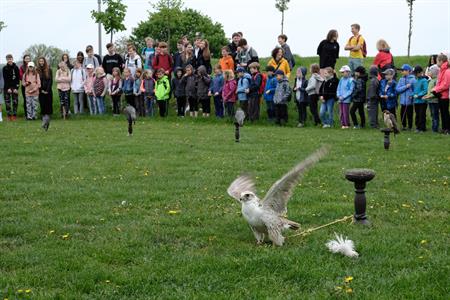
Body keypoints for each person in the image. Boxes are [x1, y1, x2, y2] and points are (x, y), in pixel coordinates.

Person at [432, 54, 450, 134]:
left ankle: (448, 129)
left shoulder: (447, 71)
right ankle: (444, 128)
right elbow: (439, 83)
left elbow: (446, 85)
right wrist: (435, 89)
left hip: (445, 96)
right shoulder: (441, 70)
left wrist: (436, 89)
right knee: (442, 113)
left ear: (441, 61)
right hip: (440, 95)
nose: (436, 63)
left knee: (445, 113)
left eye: (437, 61)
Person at [396, 64, 416, 130]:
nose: (402, 72)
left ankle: (410, 127)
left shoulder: (413, 79)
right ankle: (404, 126)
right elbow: (397, 89)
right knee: (402, 115)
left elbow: (415, 90)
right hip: (402, 101)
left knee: (409, 115)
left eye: (404, 70)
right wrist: (406, 86)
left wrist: (412, 95)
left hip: (409, 101)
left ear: (408, 71)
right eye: (402, 70)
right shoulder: (401, 79)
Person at [2, 54, 20, 121]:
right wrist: (8, 88)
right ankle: (9, 116)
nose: (9, 60)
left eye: (10, 59)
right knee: (7, 102)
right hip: (7, 88)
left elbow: (17, 79)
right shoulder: (4, 68)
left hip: (14, 87)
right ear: (6, 60)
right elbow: (5, 79)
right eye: (8, 59)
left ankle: (14, 115)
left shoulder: (16, 67)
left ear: (12, 59)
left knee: (15, 102)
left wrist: (16, 88)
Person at [423, 65, 440, 133]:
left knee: (435, 115)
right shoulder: (430, 80)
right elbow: (429, 91)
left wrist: (429, 96)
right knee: (432, 115)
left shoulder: (436, 81)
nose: (428, 72)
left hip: (435, 101)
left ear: (434, 72)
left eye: (430, 71)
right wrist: (426, 95)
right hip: (430, 101)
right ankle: (433, 128)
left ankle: (435, 129)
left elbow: (436, 92)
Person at [412, 65, 428, 132]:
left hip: (422, 101)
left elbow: (425, 90)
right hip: (416, 101)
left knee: (422, 115)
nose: (416, 74)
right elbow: (414, 90)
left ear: (421, 72)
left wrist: (418, 95)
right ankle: (418, 127)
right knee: (417, 115)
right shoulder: (415, 81)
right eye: (415, 73)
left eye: (417, 73)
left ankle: (422, 128)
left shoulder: (424, 80)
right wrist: (412, 95)